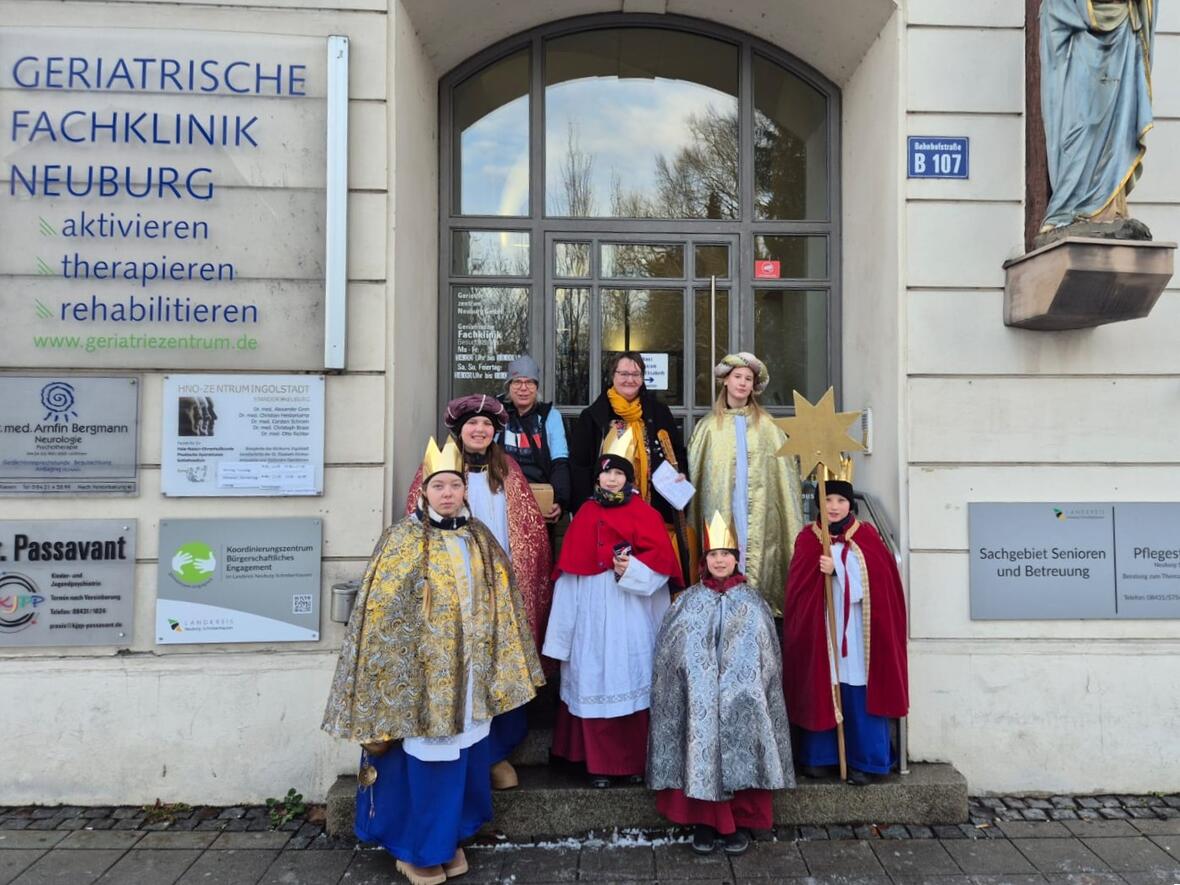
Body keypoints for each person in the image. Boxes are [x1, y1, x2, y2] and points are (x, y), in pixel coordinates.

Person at [323, 436, 544, 885]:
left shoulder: (480, 537)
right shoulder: (402, 540)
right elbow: (380, 615)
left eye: (455, 486)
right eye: (439, 486)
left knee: (463, 755)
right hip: (422, 679)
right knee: (427, 760)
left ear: (465, 490)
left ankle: (451, 837)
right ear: (424, 492)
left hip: (469, 674)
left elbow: (504, 602)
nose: (448, 494)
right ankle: (418, 847)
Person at [404, 394, 551, 791]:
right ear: (458, 429)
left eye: (487, 425)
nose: (480, 430)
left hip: (500, 592)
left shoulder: (509, 473)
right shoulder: (435, 475)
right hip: (452, 594)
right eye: (472, 424)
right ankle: (467, 758)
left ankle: (497, 751)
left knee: (501, 665)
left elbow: (530, 537)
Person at [647, 512, 794, 856]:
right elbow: (671, 654)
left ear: (735, 559)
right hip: (698, 696)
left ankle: (737, 821)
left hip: (742, 698)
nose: (720, 560)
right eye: (713, 555)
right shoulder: (687, 601)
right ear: (705, 561)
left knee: (738, 749)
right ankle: (703, 822)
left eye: (726, 554)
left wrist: (751, 685)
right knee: (701, 748)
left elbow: (768, 657)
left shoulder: (753, 603)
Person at [542, 433, 681, 787]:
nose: (613, 479)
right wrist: (561, 638)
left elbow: (662, 569)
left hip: (631, 612)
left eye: (619, 474)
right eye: (607, 474)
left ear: (629, 479)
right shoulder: (585, 514)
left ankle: (632, 762)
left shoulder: (645, 514)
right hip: (590, 609)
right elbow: (570, 575)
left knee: (631, 675)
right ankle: (597, 765)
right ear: (598, 478)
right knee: (592, 677)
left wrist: (631, 570)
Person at [782, 479, 908, 786]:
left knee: (858, 686)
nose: (834, 507)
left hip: (857, 629)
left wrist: (839, 566)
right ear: (819, 504)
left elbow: (881, 581)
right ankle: (822, 757)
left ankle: (866, 759)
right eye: (828, 500)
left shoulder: (866, 536)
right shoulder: (808, 538)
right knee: (824, 683)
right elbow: (798, 590)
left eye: (840, 500)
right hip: (823, 627)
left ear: (850, 504)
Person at [687, 352, 804, 616]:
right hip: (722, 509)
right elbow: (698, 479)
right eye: (737, 377)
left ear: (754, 386)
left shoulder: (769, 427)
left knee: (758, 556)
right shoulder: (707, 427)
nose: (742, 383)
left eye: (748, 379)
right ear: (725, 381)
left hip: (758, 514)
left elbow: (784, 482)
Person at [1039, 0, 1156, 234]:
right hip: (1081, 40)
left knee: (1118, 128)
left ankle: (1111, 209)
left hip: (1122, 35)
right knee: (1082, 125)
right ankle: (1069, 207)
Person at [570, 351, 689, 578]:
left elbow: (677, 455)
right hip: (604, 512)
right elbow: (580, 466)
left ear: (643, 378)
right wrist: (584, 508)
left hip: (649, 509)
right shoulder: (593, 416)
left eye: (636, 374)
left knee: (645, 569)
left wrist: (680, 473)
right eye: (623, 373)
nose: (629, 379)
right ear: (612, 376)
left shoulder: (659, 413)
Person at [495, 355, 571, 521]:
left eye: (529, 382)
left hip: (540, 498)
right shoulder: (497, 414)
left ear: (536, 387)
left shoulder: (550, 416)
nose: (523, 388)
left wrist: (559, 500)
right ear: (509, 387)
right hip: (501, 499)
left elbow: (560, 461)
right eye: (517, 382)